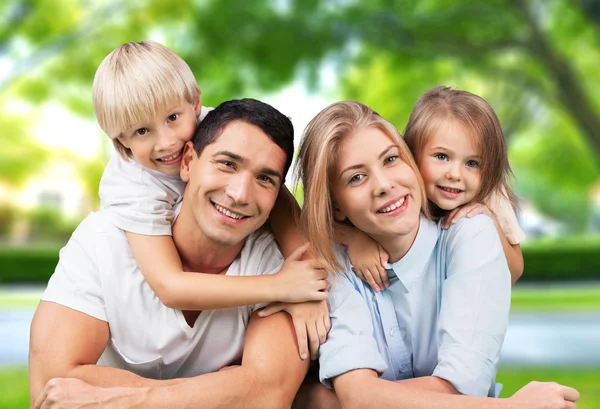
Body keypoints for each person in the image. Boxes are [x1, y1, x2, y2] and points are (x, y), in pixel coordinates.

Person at [290, 101, 578, 409]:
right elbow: (359, 398)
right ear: (335, 206)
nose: (384, 185)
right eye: (356, 178)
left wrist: (345, 399)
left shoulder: (472, 229)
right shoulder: (333, 267)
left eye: (390, 159)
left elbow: (463, 388)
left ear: (409, 161)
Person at [30, 99, 312, 409]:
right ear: (188, 162)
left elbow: (267, 394)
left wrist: (115, 400)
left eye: (265, 179)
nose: (239, 194)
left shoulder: (284, 271)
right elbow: (52, 387)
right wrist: (221, 392)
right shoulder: (103, 241)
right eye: (227, 164)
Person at [92, 40, 336, 358]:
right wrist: (281, 286)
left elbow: (277, 198)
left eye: (172, 118)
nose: (167, 142)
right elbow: (170, 286)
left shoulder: (214, 127)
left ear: (195, 103)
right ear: (120, 139)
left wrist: (309, 282)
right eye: (141, 131)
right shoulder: (130, 186)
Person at [404, 86, 525, 285]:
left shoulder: (490, 194)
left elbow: (514, 272)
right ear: (412, 153)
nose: (455, 174)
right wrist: (358, 241)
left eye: (472, 163)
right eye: (442, 156)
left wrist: (491, 221)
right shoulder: (399, 190)